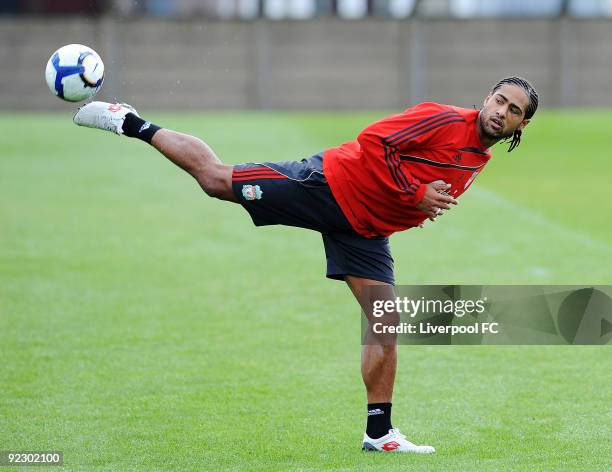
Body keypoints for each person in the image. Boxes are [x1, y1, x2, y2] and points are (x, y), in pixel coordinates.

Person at [73, 76, 538, 453]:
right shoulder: (442, 118)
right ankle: (129, 121)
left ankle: (379, 434)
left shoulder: (479, 156)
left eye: (514, 110)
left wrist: (415, 208)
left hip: (363, 229)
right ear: (486, 98)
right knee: (216, 180)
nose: (502, 111)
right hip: (328, 185)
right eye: (500, 100)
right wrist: (415, 194)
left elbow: (423, 185)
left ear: (520, 126)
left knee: (385, 322)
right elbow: (374, 140)